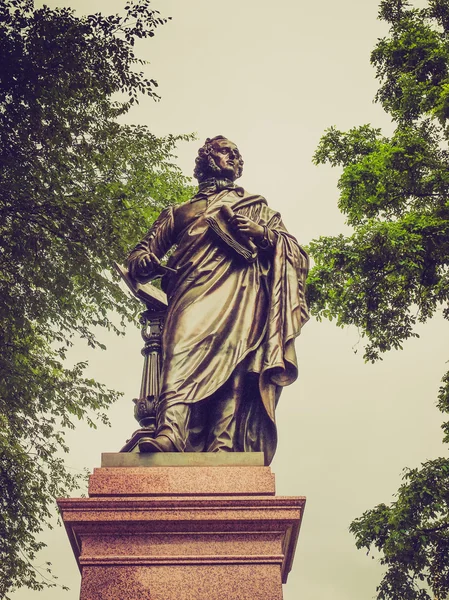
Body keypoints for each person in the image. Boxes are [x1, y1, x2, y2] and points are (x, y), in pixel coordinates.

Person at [127, 135, 309, 464]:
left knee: (236, 362)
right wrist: (143, 262)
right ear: (208, 159)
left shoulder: (257, 207)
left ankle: (222, 445)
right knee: (180, 351)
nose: (236, 159)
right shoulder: (179, 212)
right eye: (228, 152)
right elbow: (141, 252)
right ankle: (170, 432)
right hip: (190, 292)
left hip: (242, 294)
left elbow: (295, 253)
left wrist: (262, 234)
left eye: (239, 155)